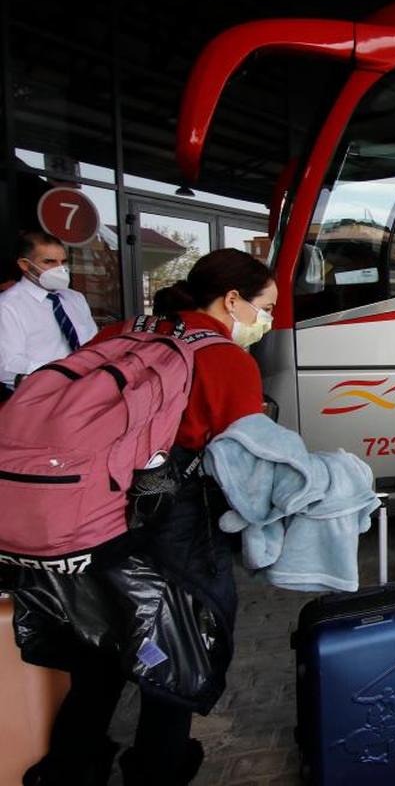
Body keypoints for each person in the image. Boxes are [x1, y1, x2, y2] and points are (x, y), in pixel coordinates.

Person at [19, 249, 276, 785]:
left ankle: (70, 769)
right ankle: (157, 771)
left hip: (90, 521)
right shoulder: (226, 358)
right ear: (232, 300)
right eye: (265, 306)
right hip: (173, 528)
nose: (267, 320)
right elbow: (247, 471)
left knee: (97, 652)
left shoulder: (122, 330)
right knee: (174, 655)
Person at [0, 231, 98, 390]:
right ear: (25, 265)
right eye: (49, 262)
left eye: (63, 262)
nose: (60, 269)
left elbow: (93, 342)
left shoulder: (75, 298)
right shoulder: (8, 306)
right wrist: (66, 371)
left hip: (88, 387)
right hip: (43, 394)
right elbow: (8, 366)